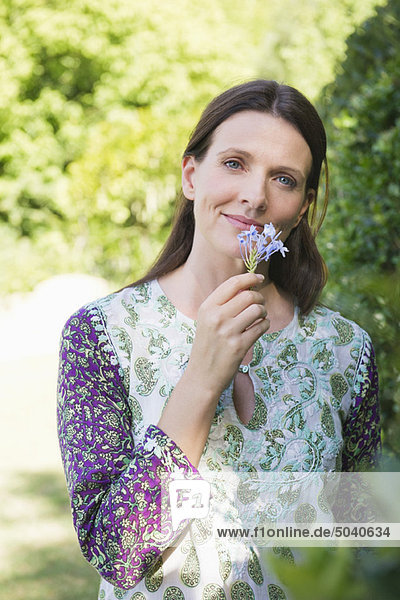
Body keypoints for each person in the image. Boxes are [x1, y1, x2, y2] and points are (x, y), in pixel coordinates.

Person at [57, 80, 380, 599]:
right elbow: (117, 552)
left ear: (302, 207)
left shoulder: (347, 350)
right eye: (234, 163)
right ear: (191, 175)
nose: (255, 195)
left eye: (284, 178)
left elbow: (368, 546)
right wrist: (202, 380)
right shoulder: (103, 334)